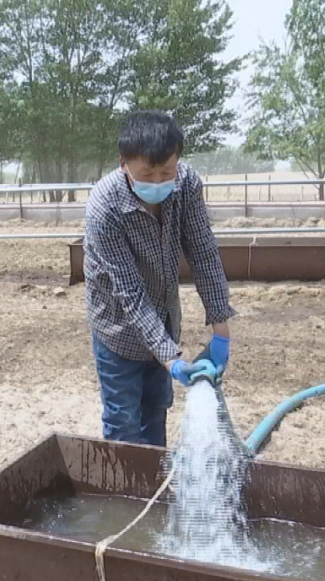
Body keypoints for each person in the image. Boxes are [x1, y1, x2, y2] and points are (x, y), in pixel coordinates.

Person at [84, 110, 235, 447]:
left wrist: (220, 327)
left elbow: (203, 252)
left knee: (156, 409)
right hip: (118, 328)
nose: (157, 182)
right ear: (123, 163)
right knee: (123, 419)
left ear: (178, 161)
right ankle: (124, 494)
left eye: (166, 171)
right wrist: (171, 358)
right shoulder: (104, 207)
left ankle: (152, 487)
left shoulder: (186, 185)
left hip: (165, 317)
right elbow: (130, 292)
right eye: (146, 174)